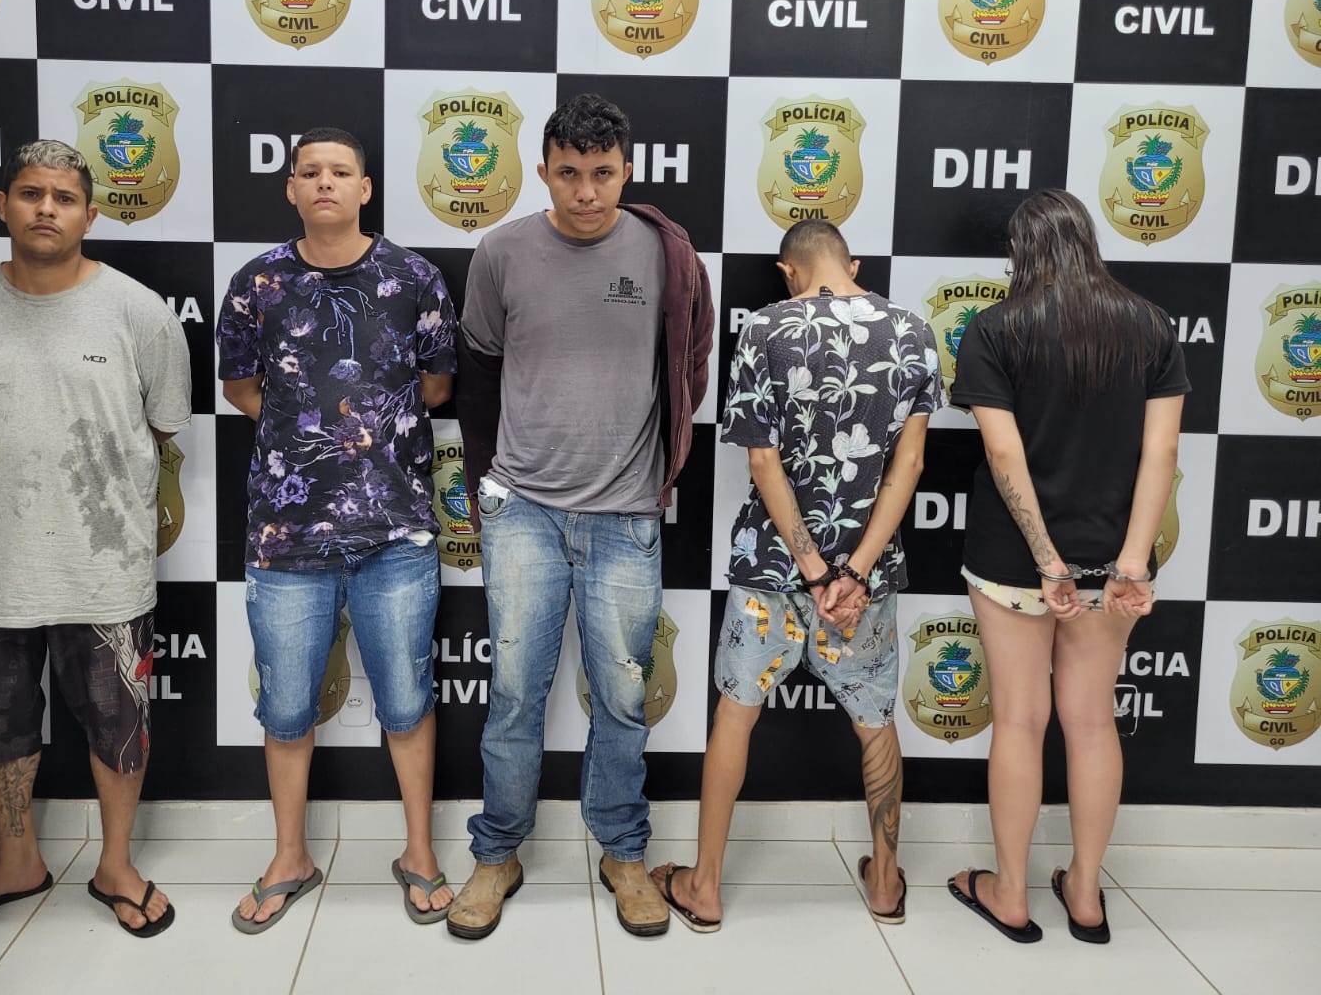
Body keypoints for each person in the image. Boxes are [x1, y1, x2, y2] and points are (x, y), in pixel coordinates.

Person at [447, 93, 715, 940]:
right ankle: (497, 854)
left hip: (626, 515)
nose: (587, 192)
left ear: (627, 170)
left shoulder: (669, 256)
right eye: (569, 174)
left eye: (603, 173)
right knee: (514, 696)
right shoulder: (501, 252)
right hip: (523, 510)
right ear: (543, 171)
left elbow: (691, 366)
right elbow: (478, 371)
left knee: (625, 700)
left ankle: (624, 854)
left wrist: (655, 470)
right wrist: (492, 482)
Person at [0, 139, 192, 937]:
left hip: (102, 562)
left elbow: (161, 425)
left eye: (65, 197)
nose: (46, 208)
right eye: (30, 193)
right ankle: (17, 860)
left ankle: (116, 865)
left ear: (90, 213)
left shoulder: (139, 311)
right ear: (2, 204)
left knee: (119, 721)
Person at [653, 220, 940, 931]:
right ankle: (886, 882)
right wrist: (854, 572)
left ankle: (705, 887)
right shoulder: (914, 331)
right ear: (854, 264)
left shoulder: (765, 329)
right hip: (865, 581)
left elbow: (761, 461)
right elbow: (909, 465)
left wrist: (812, 571)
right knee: (875, 721)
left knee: (735, 715)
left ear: (788, 271)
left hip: (775, 568)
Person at [216, 127, 459, 932]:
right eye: (310, 171)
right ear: (291, 188)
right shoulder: (256, 282)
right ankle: (290, 857)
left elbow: (436, 387)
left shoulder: (414, 278)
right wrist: (311, 435)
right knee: (287, 709)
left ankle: (418, 852)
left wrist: (362, 441)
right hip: (287, 538)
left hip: (396, 534)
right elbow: (242, 389)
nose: (325, 182)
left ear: (365, 188)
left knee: (406, 703)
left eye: (340, 171)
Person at [947, 188, 1187, 945]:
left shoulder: (995, 328)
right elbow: (1162, 453)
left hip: (1013, 559)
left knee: (1020, 720)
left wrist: (1048, 561)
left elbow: (1003, 452)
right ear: (1088, 241)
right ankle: (1085, 892)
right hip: (1112, 557)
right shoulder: (1150, 324)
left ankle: (1010, 894)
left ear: (1021, 252)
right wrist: (1130, 565)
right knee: (1091, 721)